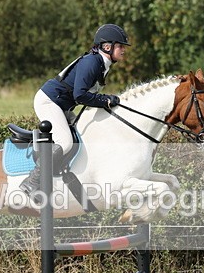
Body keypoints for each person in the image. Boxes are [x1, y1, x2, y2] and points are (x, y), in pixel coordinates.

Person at [19, 23, 131, 196]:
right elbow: (80, 96)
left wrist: (105, 100)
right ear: (107, 47)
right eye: (120, 46)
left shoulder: (101, 63)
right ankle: (32, 181)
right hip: (49, 102)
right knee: (65, 142)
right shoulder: (92, 62)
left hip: (61, 104)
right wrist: (105, 100)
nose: (124, 50)